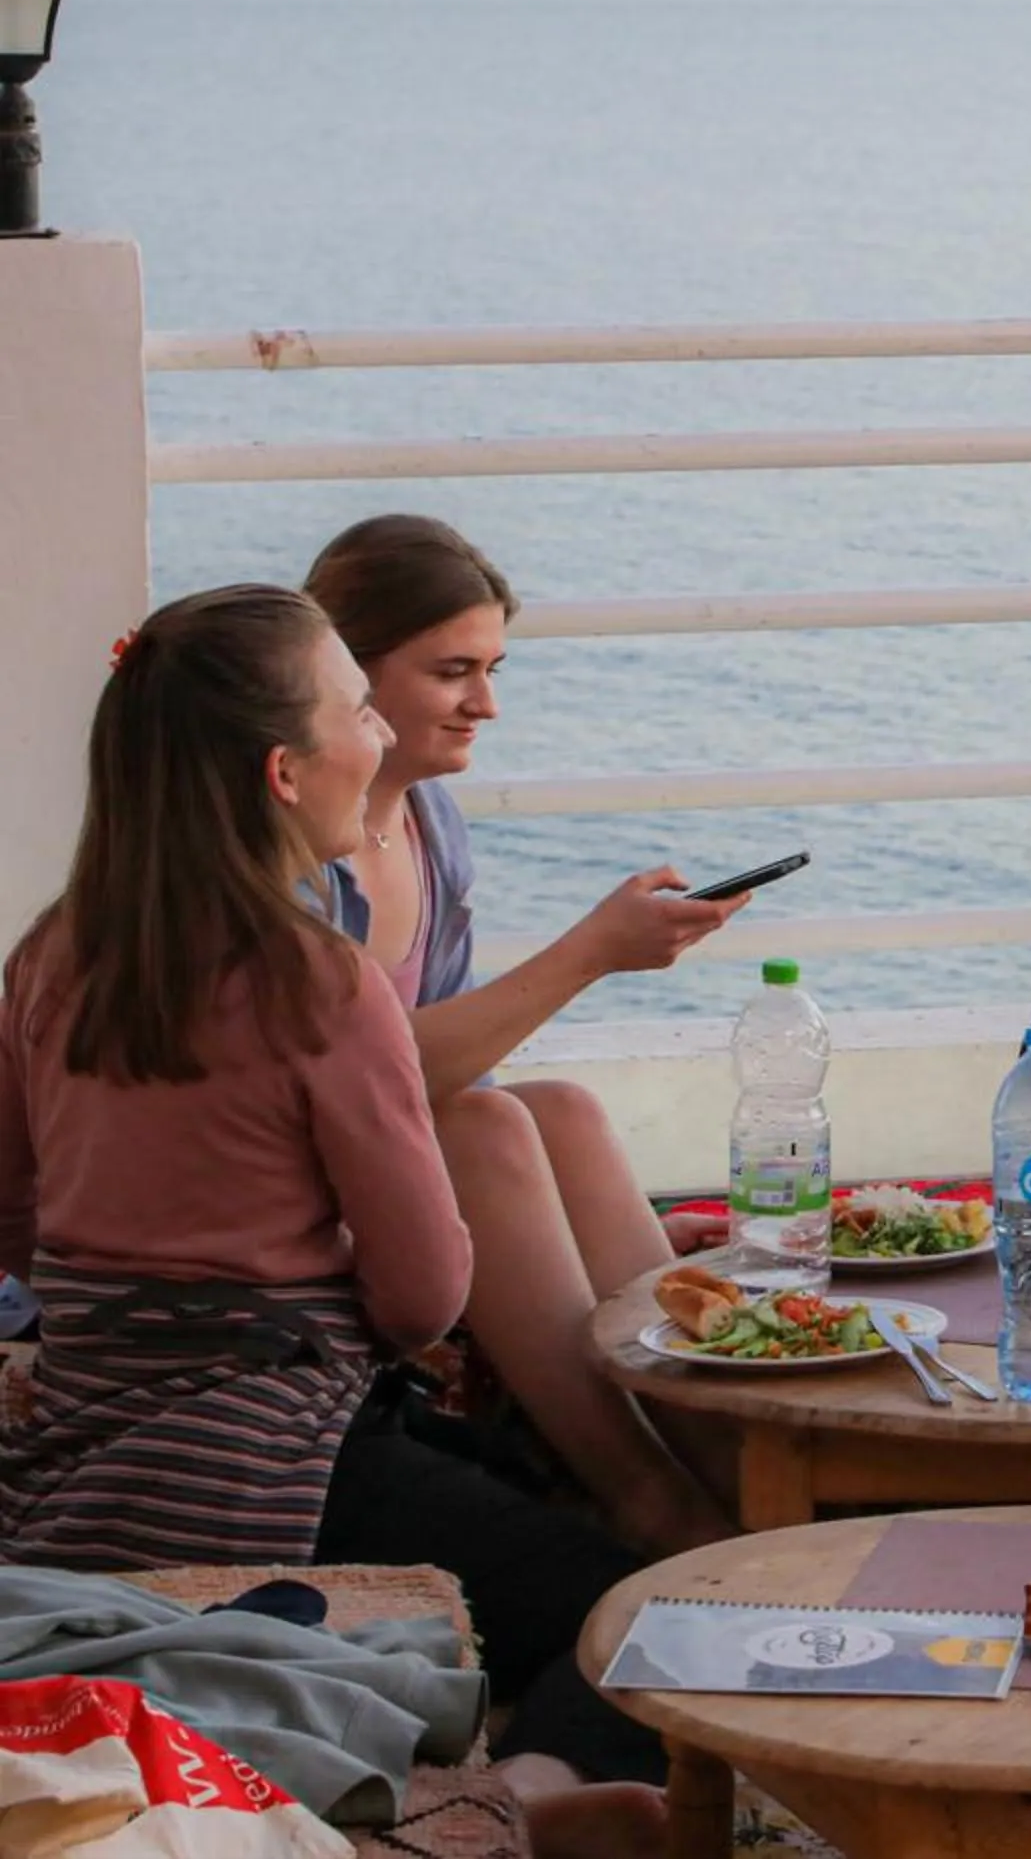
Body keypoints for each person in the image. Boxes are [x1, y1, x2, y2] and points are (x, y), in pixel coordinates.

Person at [0, 586, 669, 1859]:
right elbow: (422, 1295)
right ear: (284, 769)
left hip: (84, 1446)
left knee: (510, 1508)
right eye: (361, 706)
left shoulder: (51, 953)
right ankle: (510, 1803)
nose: (379, 733)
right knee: (630, 1605)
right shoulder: (320, 981)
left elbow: (10, 1214)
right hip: (283, 1460)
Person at [304, 515, 743, 1557]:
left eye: (493, 668)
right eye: (453, 671)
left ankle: (727, 1452)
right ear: (347, 679)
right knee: (494, 1130)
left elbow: (450, 1067)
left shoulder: (425, 822)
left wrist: (587, 1228)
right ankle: (641, 1493)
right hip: (303, 1182)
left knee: (558, 1111)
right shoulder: (292, 857)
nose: (485, 704)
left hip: (391, 1152)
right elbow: (362, 1084)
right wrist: (590, 950)